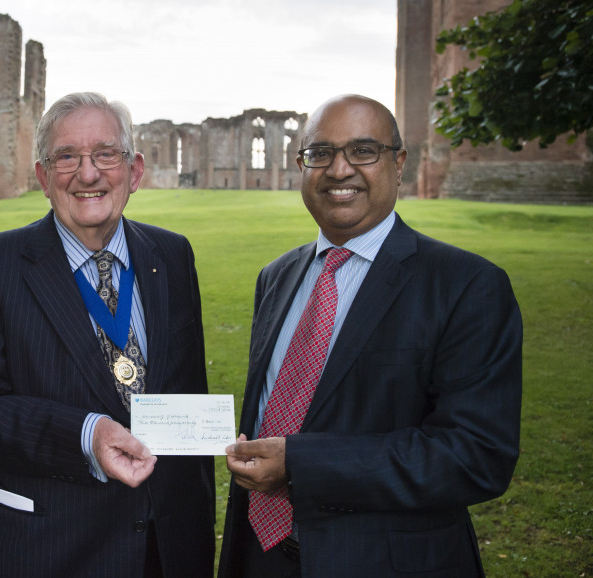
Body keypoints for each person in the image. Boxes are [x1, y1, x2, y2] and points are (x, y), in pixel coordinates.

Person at [217, 94, 523, 577]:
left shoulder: (465, 284)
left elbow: (476, 456)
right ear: (302, 166)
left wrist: (299, 463)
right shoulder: (276, 277)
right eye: (319, 153)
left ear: (398, 163)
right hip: (261, 556)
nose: (339, 170)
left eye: (363, 151)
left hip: (384, 561)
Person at [0, 92, 215, 578]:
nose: (88, 174)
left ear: (134, 171)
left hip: (165, 547)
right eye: (67, 157)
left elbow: (186, 388)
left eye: (106, 154)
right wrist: (86, 434)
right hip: (52, 549)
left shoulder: (173, 255)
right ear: (44, 177)